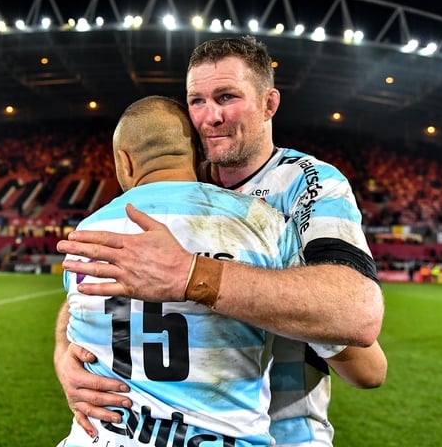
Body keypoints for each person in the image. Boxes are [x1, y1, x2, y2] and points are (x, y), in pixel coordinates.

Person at [56, 36, 386, 446]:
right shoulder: (173, 191)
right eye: (196, 101)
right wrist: (65, 354)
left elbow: (357, 315)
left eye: (226, 97)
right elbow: (91, 285)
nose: (210, 117)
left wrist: (195, 275)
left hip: (287, 432)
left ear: (269, 104)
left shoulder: (309, 183)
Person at [56, 95, 304, 446]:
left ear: (125, 162)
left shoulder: (88, 232)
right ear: (198, 155)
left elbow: (76, 307)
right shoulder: (262, 222)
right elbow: (351, 355)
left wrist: (61, 353)